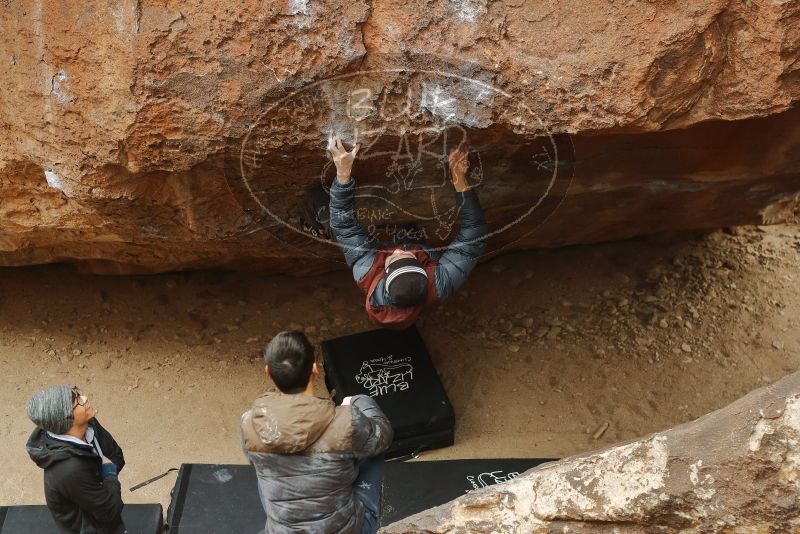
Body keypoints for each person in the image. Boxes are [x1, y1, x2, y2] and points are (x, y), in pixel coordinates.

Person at [327, 136, 487, 329]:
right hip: (412, 243)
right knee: (410, 238)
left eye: (394, 259)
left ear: (384, 275)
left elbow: (344, 226)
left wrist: (343, 173)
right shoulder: (439, 284)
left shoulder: (366, 269)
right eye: (409, 257)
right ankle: (412, 241)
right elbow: (474, 232)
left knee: (323, 210)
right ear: (426, 275)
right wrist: (458, 176)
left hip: (376, 250)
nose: (398, 251)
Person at [241, 331, 393, 534]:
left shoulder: (250, 423)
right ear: (314, 369)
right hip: (347, 529)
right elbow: (384, 437)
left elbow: (254, 461)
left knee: (267, 465)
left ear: (268, 372)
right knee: (366, 423)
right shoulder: (346, 421)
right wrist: (354, 406)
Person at [25, 385, 126, 534]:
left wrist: (103, 484)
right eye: (77, 402)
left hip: (100, 507)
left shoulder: (87, 423)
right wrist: (109, 474)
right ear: (66, 419)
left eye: (78, 394)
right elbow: (110, 511)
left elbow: (116, 456)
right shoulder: (69, 470)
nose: (85, 399)